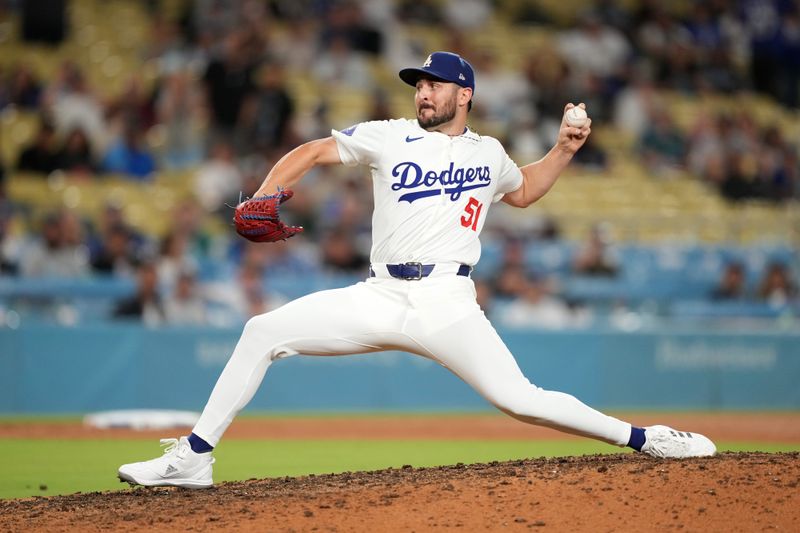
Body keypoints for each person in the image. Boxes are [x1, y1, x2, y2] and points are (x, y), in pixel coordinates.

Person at [118, 51, 715, 489]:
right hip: (379, 293)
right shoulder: (389, 136)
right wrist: (267, 190)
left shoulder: (489, 153)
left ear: (466, 95)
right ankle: (195, 457)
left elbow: (526, 189)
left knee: (520, 399)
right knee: (261, 332)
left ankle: (646, 438)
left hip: (446, 302)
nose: (423, 93)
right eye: (420, 84)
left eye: (436, 84)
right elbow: (315, 152)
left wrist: (564, 147)